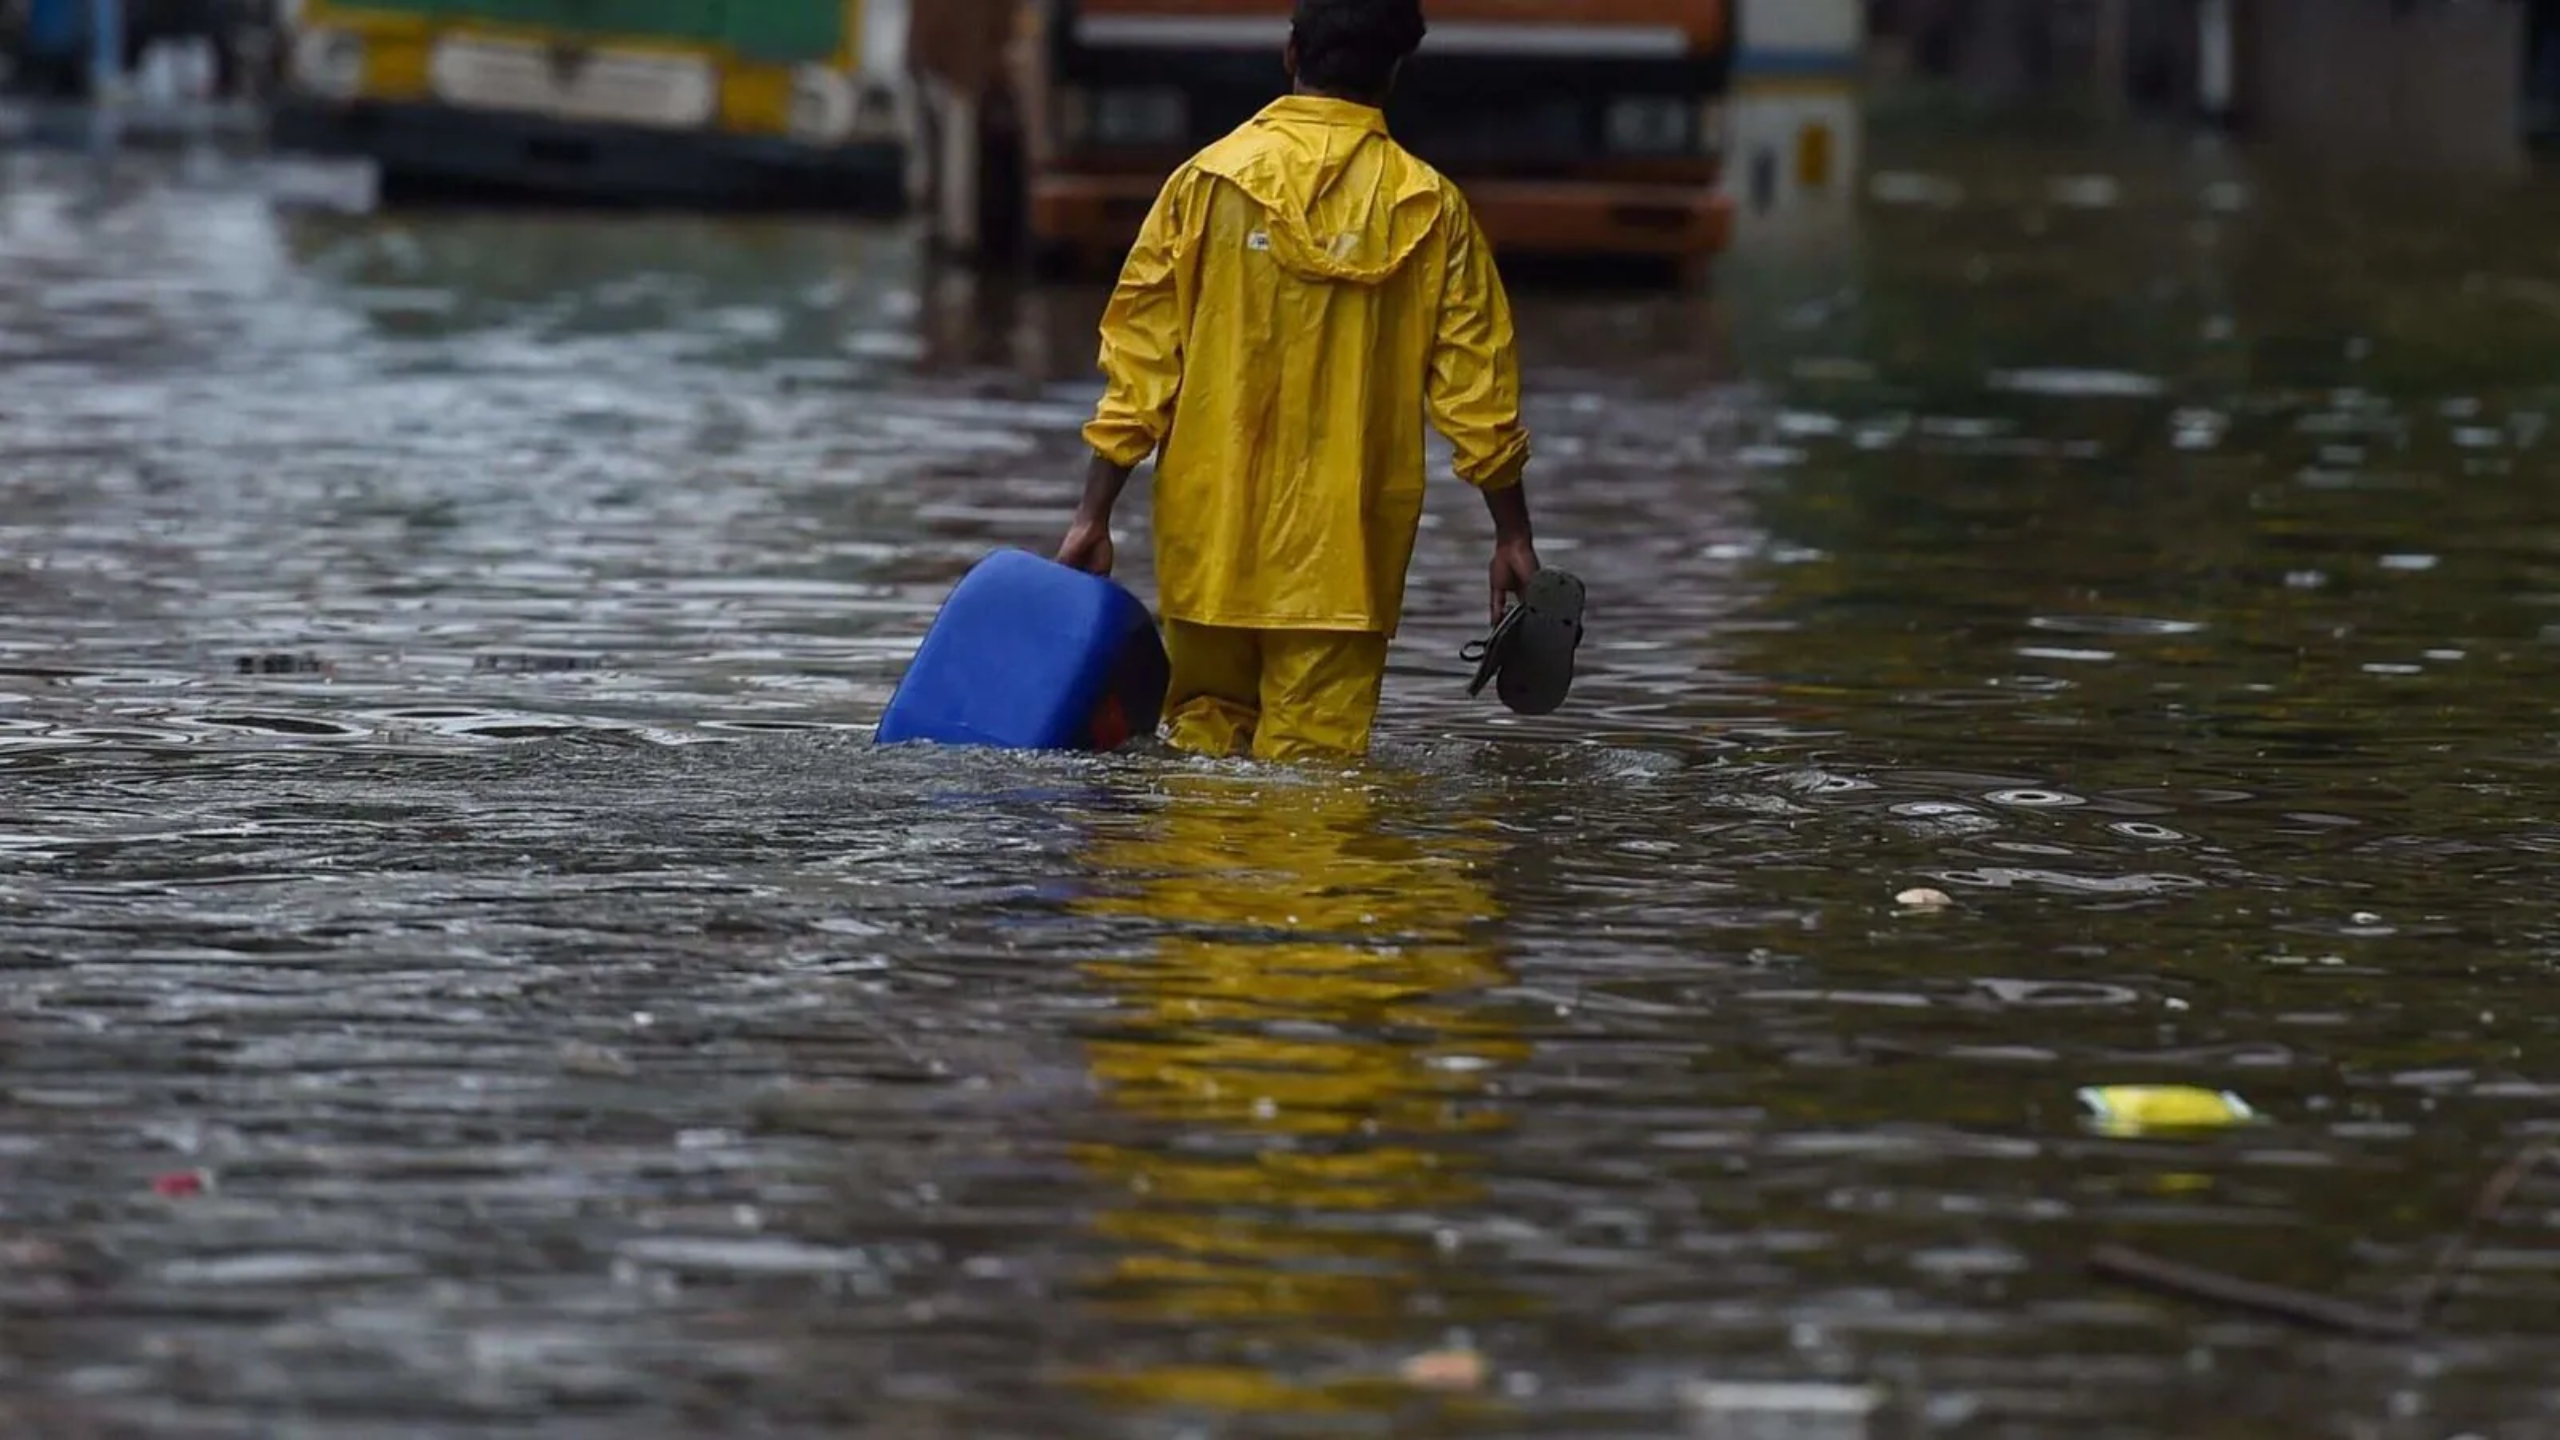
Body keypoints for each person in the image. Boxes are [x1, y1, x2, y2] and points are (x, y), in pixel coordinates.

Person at [1053, 0, 1539, 764]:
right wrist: (1512, 534)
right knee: (1314, 797)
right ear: (1396, 70)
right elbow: (1478, 398)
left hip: (1208, 554)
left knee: (1200, 775)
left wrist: (1092, 514)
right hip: (1343, 572)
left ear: (1290, 54)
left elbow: (1141, 371)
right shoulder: (1430, 209)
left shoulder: (1203, 185)